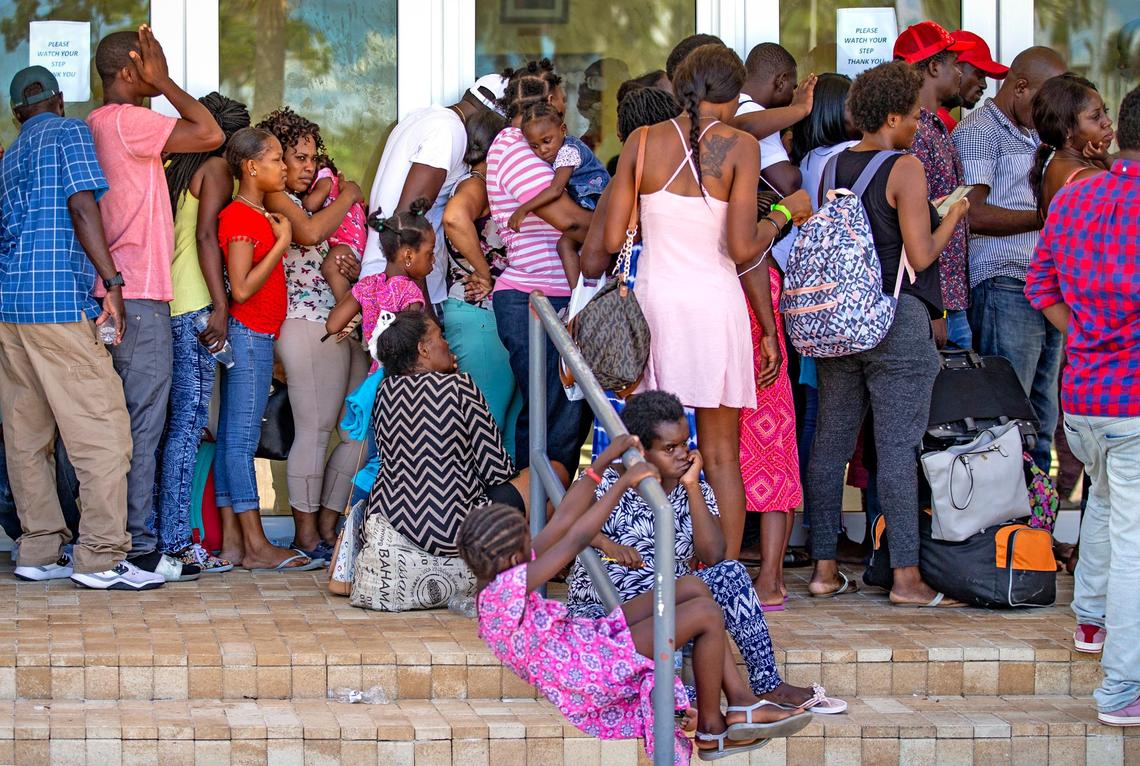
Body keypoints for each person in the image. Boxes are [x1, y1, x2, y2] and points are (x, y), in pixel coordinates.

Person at [457, 441, 813, 763]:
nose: (530, 544)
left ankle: (738, 703)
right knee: (704, 612)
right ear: (507, 558)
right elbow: (575, 536)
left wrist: (602, 464)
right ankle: (712, 727)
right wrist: (622, 484)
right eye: (524, 543)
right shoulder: (501, 595)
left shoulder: (504, 577)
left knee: (690, 587)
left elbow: (565, 518)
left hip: (588, 639)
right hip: (590, 666)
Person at [602, 44, 812, 560]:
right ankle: (720, 577)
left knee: (647, 445)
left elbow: (611, 239)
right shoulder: (740, 147)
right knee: (721, 457)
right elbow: (743, 249)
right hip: (715, 311)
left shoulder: (643, 141)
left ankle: (653, 567)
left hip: (654, 313)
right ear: (735, 94)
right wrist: (786, 213)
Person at [567, 391, 846, 715]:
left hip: (667, 607)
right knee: (682, 699)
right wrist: (605, 543)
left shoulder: (692, 488)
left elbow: (713, 555)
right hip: (606, 614)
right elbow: (567, 526)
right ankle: (697, 702)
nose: (683, 454)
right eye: (670, 448)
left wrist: (693, 487)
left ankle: (768, 684)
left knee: (731, 573)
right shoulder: (608, 481)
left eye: (685, 443)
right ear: (639, 450)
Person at [804, 61, 970, 606]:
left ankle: (824, 570)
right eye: (916, 117)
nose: (920, 127)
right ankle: (906, 578)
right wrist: (955, 214)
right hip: (895, 322)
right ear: (894, 116)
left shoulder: (831, 168)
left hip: (841, 322)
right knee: (897, 452)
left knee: (830, 444)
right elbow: (919, 255)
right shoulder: (905, 168)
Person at [0, 65, 161, 590]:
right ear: (61, 100)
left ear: (17, 111)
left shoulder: (13, 153)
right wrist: (112, 281)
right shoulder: (70, 132)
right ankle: (100, 556)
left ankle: (39, 548)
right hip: (58, 308)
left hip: (12, 310)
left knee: (27, 437)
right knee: (104, 431)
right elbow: (82, 204)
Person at [87, 26, 225, 582]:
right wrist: (164, 79)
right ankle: (139, 549)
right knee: (145, 423)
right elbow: (210, 132)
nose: (156, 74)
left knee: (116, 424)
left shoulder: (98, 124)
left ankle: (115, 538)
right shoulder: (128, 121)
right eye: (147, 65)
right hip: (140, 295)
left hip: (117, 291)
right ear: (130, 70)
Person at [1024, 83, 1140, 728]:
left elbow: (1039, 285)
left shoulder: (1081, 194)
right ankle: (1123, 690)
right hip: (1132, 404)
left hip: (1086, 399)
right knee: (1135, 543)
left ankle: (1091, 622)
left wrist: (1090, 334)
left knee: (1103, 502)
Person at [256, 107, 368, 562]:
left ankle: (327, 521)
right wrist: (351, 194)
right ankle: (305, 535)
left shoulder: (316, 197)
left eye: (310, 158)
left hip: (343, 323)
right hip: (307, 324)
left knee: (361, 431)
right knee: (315, 432)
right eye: (295, 158)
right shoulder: (276, 198)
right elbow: (308, 233)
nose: (304, 167)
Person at [952, 46, 1067, 471]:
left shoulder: (1034, 133)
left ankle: (1035, 529)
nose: (1051, 112)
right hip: (1004, 286)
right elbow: (971, 214)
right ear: (1020, 87)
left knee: (1041, 416)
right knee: (1008, 420)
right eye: (1044, 100)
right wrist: (1046, 218)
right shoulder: (982, 130)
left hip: (1043, 288)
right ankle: (1006, 534)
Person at [214, 127, 317, 572]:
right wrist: (280, 244)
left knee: (232, 441)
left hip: (259, 336)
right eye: (276, 159)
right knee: (240, 440)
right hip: (248, 334)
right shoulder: (239, 216)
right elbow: (240, 288)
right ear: (252, 167)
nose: (283, 166)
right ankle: (256, 545)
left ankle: (235, 545)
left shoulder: (257, 213)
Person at [156, 92, 249, 574]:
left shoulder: (176, 164)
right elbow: (207, 237)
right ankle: (174, 545)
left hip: (168, 304)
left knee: (174, 427)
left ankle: (162, 536)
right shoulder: (215, 168)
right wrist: (221, 305)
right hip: (194, 305)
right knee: (188, 427)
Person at [487, 60, 592, 472]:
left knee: (560, 417)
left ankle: (543, 524)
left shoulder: (524, 145)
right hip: (535, 297)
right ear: (547, 100)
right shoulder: (515, 147)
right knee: (553, 421)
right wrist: (621, 224)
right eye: (563, 99)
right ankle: (534, 525)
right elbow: (568, 220)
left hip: (548, 293)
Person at [367, 311, 529, 558]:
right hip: (450, 531)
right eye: (440, 337)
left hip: (391, 522)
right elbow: (496, 470)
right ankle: (528, 564)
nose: (448, 343)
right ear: (423, 349)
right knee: (548, 473)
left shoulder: (384, 390)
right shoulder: (459, 385)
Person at [360, 74, 507, 313]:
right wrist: (425, 312)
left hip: (389, 279)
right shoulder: (447, 131)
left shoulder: (424, 118)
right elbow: (406, 223)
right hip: (402, 288)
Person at [440, 110, 521, 451]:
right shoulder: (476, 184)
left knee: (508, 433)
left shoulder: (488, 185)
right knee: (485, 434)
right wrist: (485, 272)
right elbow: (455, 218)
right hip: (480, 315)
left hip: (487, 316)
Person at [894, 21, 972, 349]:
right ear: (934, 66)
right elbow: (914, 222)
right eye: (955, 65)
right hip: (934, 304)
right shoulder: (915, 133)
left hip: (950, 300)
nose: (960, 74)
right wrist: (934, 307)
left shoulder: (933, 125)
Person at [507, 101, 609, 288]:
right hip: (590, 205)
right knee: (565, 246)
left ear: (563, 129)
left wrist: (523, 209)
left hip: (595, 203)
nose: (542, 150)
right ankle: (578, 299)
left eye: (547, 141)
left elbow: (555, 190)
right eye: (534, 146)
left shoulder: (568, 151)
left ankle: (580, 302)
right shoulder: (560, 151)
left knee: (576, 248)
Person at [326, 201, 433, 365]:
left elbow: (333, 325)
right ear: (409, 256)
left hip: (376, 373)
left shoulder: (367, 285)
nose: (433, 260)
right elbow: (410, 344)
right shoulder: (410, 292)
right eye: (429, 253)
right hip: (401, 375)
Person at [1029, 74, 1114, 215]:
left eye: (1105, 112)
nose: (1108, 122)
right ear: (1067, 130)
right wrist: (1107, 160)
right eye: (1096, 116)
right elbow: (1133, 195)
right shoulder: (1092, 179)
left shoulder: (1051, 166)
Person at [734, 43, 804, 196]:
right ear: (781, 81)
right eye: (793, 87)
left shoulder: (732, 105)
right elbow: (787, 184)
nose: (793, 95)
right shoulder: (752, 111)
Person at [302, 152, 368, 311]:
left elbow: (311, 205)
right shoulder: (338, 185)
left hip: (348, 241)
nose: (307, 168)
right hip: (350, 240)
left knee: (330, 267)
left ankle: (348, 313)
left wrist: (303, 198)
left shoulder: (325, 179)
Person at [937, 31, 1009, 131]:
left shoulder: (934, 119)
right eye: (979, 75)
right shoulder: (936, 123)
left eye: (985, 77)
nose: (984, 85)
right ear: (953, 66)